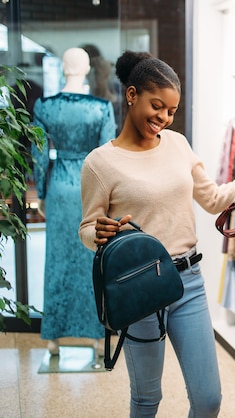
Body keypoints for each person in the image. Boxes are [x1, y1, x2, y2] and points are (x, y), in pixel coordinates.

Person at [78, 50, 235, 417]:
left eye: (171, 111)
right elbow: (87, 228)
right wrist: (97, 234)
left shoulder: (179, 145)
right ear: (132, 94)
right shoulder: (100, 163)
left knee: (208, 398)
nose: (164, 119)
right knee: (147, 397)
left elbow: (214, 199)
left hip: (188, 283)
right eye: (157, 106)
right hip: (137, 287)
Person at [32, 47, 116, 357]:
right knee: (92, 259)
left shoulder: (46, 107)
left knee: (57, 261)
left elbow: (39, 155)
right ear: (86, 69)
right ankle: (96, 335)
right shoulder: (101, 108)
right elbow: (108, 158)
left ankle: (53, 337)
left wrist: (41, 193)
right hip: (90, 187)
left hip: (59, 188)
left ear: (64, 68)